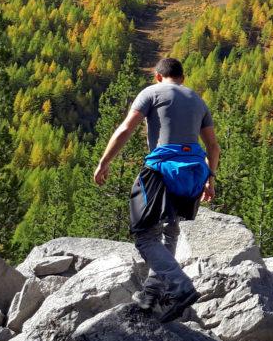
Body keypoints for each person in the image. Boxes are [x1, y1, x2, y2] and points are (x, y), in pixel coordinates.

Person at [93, 57, 219, 322]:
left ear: (158, 76)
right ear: (182, 78)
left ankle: (181, 287)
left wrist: (104, 162)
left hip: (161, 170)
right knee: (170, 230)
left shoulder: (151, 92)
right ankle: (152, 294)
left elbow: (126, 128)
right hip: (193, 172)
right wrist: (210, 178)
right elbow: (213, 148)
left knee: (144, 235)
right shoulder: (198, 101)